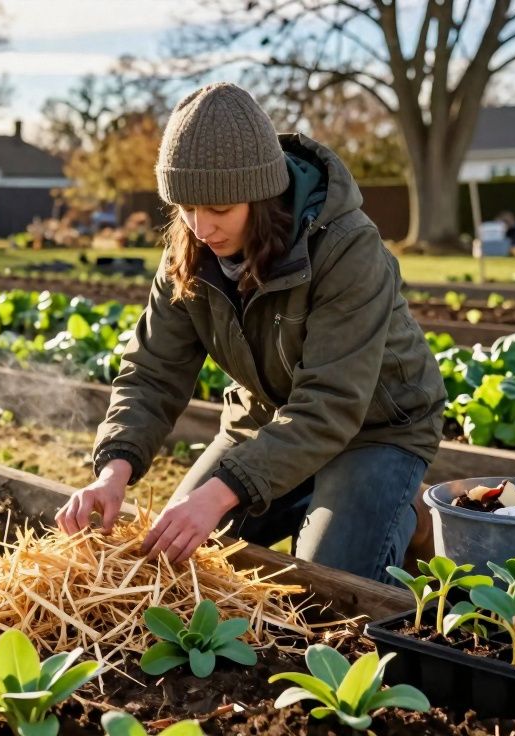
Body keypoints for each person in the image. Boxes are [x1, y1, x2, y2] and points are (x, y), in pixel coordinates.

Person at [54, 82, 447, 584]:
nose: (201, 227)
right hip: (265, 420)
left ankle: (410, 514)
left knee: (325, 589)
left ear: (265, 197)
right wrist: (113, 473)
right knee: (177, 564)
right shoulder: (190, 254)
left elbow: (330, 405)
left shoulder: (348, 250)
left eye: (219, 210)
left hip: (374, 429)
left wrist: (218, 494)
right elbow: (152, 373)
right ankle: (316, 490)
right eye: (187, 208)